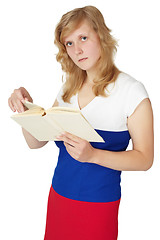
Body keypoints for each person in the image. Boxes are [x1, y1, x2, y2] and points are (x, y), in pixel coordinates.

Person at [8, 5, 154, 240]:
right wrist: (26, 109)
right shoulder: (68, 88)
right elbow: (35, 142)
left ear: (101, 36)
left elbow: (145, 159)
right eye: (69, 43)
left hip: (98, 205)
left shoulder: (132, 92)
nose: (77, 50)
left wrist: (93, 155)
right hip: (58, 197)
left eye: (83, 38)